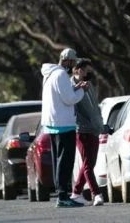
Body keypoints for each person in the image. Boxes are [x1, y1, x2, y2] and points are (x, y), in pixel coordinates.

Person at [41, 48, 89, 208]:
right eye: (73, 62)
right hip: (63, 124)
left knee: (58, 161)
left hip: (53, 124)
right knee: (65, 162)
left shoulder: (50, 74)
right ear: (67, 61)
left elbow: (61, 94)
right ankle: (62, 196)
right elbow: (69, 99)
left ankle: (61, 193)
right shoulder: (61, 75)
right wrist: (82, 90)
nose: (74, 65)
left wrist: (75, 88)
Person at [70, 59, 105, 206]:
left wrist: (100, 123)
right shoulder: (71, 86)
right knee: (88, 165)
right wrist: (78, 89)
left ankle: (76, 193)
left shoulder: (90, 86)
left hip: (95, 129)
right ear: (78, 70)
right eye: (86, 71)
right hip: (82, 129)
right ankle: (96, 194)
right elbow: (70, 102)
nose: (89, 73)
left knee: (90, 163)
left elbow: (95, 107)